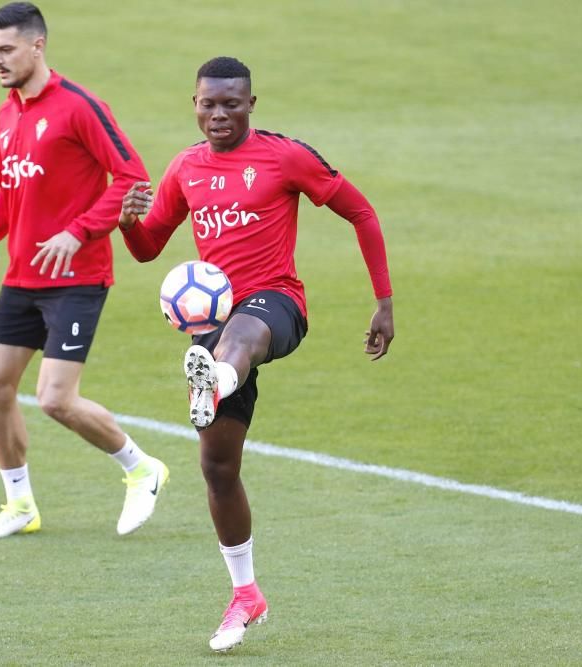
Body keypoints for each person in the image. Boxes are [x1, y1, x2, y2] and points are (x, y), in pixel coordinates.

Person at [118, 56, 394, 652]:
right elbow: (147, 250)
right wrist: (127, 224)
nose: (218, 114)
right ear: (193, 103)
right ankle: (246, 594)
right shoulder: (186, 167)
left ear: (251, 104)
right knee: (218, 469)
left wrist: (384, 302)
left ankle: (212, 378)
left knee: (239, 335)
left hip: (277, 308)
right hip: (211, 323)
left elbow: (361, 212)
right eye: (207, 104)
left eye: (231, 104)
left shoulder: (285, 156)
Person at [0, 2, 168, 541]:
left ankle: (142, 469)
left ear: (37, 45)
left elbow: (132, 176)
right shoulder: (7, 113)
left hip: (77, 277)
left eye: (6, 50)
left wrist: (80, 230)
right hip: (22, 276)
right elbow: (10, 194)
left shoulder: (79, 107)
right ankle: (19, 505)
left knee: (54, 399)